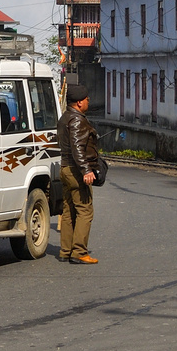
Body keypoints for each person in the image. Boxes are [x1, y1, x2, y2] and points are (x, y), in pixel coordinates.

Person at [57, 84, 99, 264]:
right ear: (80, 103)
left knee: (68, 211)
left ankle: (66, 250)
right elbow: (77, 148)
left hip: (65, 168)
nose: (89, 102)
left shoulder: (64, 117)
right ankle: (79, 252)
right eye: (87, 100)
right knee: (85, 210)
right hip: (76, 171)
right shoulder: (77, 120)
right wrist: (86, 170)